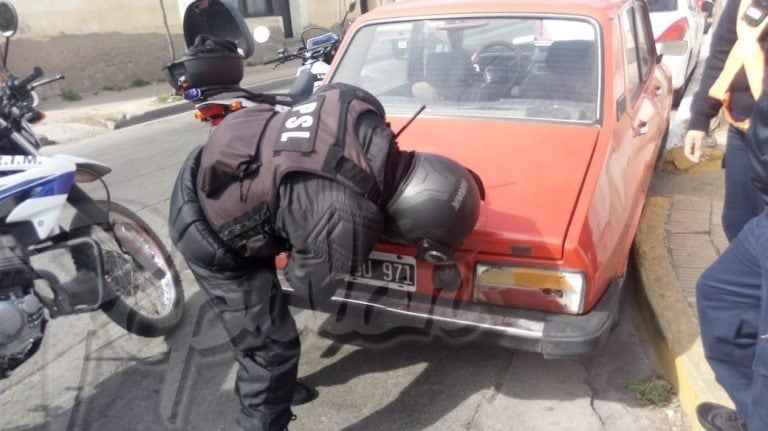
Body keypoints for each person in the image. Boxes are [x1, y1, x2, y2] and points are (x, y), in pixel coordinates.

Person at [167, 81, 483, 431]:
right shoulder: (344, 218)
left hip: (233, 174)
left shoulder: (356, 102)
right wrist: (348, 243)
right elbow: (306, 287)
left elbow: (323, 97)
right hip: (209, 232)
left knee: (265, 329)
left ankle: (279, 389)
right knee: (270, 349)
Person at [694, 30, 768, 431]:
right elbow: (725, 49)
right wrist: (698, 118)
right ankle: (755, 414)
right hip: (750, 142)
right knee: (720, 295)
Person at [683, 0, 768, 241]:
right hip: (742, 130)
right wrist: (700, 119)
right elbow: (722, 53)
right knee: (737, 221)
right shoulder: (744, 3)